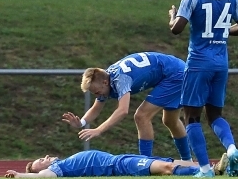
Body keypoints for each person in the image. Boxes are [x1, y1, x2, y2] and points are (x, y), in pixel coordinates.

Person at [168, 0, 238, 178]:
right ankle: (232, 149)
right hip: (221, 64)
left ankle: (205, 169)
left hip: (198, 63)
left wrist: (172, 16)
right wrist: (223, 31)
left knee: (191, 117)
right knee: (215, 115)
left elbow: (177, 29)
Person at [61, 52, 191, 161]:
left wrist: (99, 130)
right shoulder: (106, 79)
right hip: (174, 70)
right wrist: (81, 123)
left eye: (96, 92)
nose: (97, 95)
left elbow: (123, 110)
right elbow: (96, 107)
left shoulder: (120, 79)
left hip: (174, 74)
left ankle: (145, 163)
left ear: (105, 82)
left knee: (141, 116)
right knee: (170, 121)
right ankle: (187, 161)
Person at [4, 148, 238, 178]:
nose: (46, 158)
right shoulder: (56, 170)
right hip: (119, 166)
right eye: (40, 161)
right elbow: (40, 178)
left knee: (184, 162)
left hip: (122, 159)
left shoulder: (62, 161)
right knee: (170, 168)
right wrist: (21, 174)